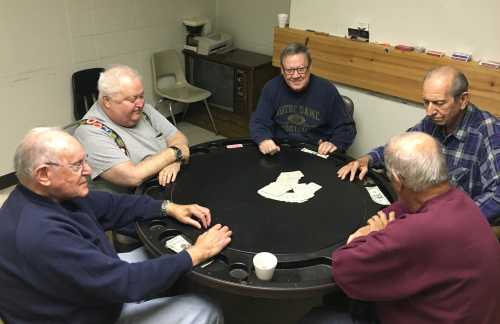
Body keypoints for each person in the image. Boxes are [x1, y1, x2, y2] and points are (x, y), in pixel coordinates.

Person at [0, 127, 232, 324]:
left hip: (85, 285)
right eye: (77, 165)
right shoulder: (42, 234)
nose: (88, 171)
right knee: (205, 308)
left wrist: (168, 207)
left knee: (157, 255)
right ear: (43, 174)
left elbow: (113, 205)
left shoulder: (43, 193)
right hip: (81, 315)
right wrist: (196, 253)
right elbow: (126, 283)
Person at [301, 132, 500, 324]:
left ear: (397, 180)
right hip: (459, 310)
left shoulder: (418, 230)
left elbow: (344, 268)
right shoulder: (459, 199)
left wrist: (368, 235)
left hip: (430, 316)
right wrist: (385, 225)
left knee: (316, 318)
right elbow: (404, 206)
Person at [338, 66, 500, 222]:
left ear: (463, 100)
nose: (430, 111)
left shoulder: (488, 132)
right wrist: (367, 159)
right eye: (426, 102)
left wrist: (454, 219)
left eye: (439, 103)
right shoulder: (433, 121)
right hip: (426, 211)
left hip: (459, 223)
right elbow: (401, 149)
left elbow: (497, 196)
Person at [74, 65, 189, 194]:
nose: (141, 104)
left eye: (141, 96)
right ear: (107, 101)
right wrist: (176, 153)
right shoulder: (89, 132)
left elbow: (178, 137)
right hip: (131, 203)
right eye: (132, 99)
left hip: (164, 185)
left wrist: (175, 162)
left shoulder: (144, 111)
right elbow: (132, 177)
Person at [249, 42, 356, 155]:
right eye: (289, 70)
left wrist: (334, 144)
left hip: (316, 153)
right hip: (280, 150)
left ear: (309, 67)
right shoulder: (271, 88)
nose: (295, 76)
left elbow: (346, 127)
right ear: (282, 70)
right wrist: (264, 139)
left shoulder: (327, 90)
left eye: (301, 69)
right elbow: (259, 121)